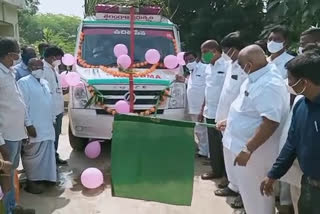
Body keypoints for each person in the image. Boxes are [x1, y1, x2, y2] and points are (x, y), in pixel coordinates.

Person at [223, 45, 290, 214]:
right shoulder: (255, 77)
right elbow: (247, 109)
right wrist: (229, 121)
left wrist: (248, 149)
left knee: (258, 197)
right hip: (244, 148)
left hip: (255, 153)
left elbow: (270, 122)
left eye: (241, 64)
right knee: (250, 195)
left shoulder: (269, 84)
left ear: (249, 65)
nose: (239, 68)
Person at [261, 50, 320, 214]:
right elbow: (292, 143)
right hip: (309, 186)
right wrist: (273, 174)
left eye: (291, 79)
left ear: (305, 82)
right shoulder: (301, 105)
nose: (287, 83)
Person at [0, 37, 36, 214]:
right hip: (5, 137)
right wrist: (1, 144)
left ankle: (13, 207)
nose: (18, 56)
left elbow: (18, 101)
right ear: (9, 54)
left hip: (16, 133)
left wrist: (26, 125)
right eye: (17, 52)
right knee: (5, 176)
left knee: (11, 172)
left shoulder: (9, 72)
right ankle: (8, 210)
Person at [214, 31, 247, 210]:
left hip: (237, 121)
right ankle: (233, 186)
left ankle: (244, 193)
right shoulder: (230, 64)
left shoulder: (246, 67)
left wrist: (231, 119)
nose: (225, 53)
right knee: (228, 154)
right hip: (224, 119)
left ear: (236, 49)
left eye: (227, 49)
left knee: (238, 157)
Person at [17, 58, 57, 194]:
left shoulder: (45, 83)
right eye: (36, 66)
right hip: (34, 127)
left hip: (47, 126)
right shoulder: (23, 83)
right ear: (29, 68)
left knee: (47, 156)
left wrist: (52, 119)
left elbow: (49, 102)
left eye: (41, 66)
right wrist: (28, 125)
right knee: (32, 157)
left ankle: (46, 178)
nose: (39, 69)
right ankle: (32, 182)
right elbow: (23, 107)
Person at [200, 40, 229, 180]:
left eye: (206, 52)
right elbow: (207, 90)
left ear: (216, 51)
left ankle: (226, 176)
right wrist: (202, 110)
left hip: (222, 113)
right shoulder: (207, 68)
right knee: (214, 146)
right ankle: (215, 170)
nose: (203, 55)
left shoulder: (227, 66)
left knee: (225, 146)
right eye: (202, 52)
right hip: (209, 112)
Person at [177, 52, 209, 158]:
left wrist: (203, 108)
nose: (188, 62)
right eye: (186, 61)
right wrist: (184, 80)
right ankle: (203, 150)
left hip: (202, 107)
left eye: (191, 59)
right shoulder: (192, 71)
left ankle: (208, 153)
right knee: (199, 131)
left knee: (205, 131)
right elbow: (194, 85)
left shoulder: (205, 68)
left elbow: (208, 88)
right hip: (193, 107)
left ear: (197, 58)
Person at [42, 46, 67, 165]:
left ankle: (54, 156)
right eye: (59, 58)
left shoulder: (53, 68)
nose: (60, 61)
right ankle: (50, 160)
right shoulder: (42, 69)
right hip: (49, 111)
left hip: (58, 109)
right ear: (52, 57)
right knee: (50, 137)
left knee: (56, 136)